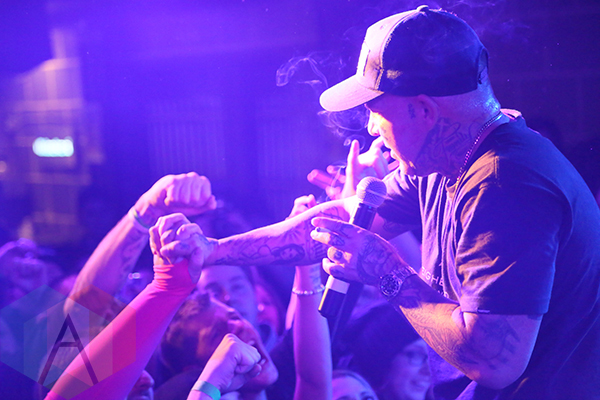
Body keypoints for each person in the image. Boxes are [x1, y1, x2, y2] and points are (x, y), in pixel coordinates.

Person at [175, 6, 600, 400]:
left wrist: (386, 272)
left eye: (376, 109)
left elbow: (494, 363)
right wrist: (213, 250)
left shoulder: (505, 184)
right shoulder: (446, 159)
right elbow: (343, 221)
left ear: (423, 110)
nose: (372, 129)